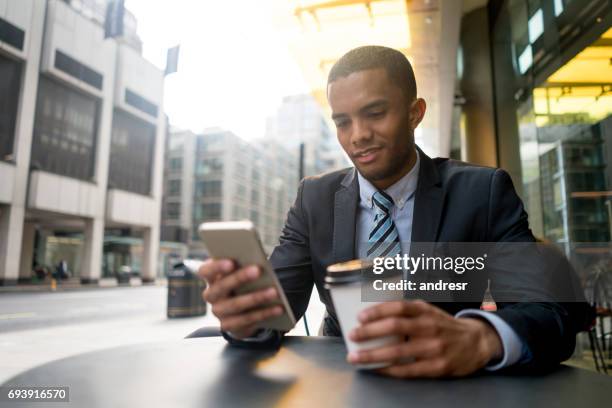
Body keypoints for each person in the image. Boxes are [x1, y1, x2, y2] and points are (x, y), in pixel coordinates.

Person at [198, 45, 591, 378]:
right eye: (343, 121)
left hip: (449, 383)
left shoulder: (482, 193)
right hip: (344, 377)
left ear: (415, 112)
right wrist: (246, 318)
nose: (357, 135)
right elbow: (275, 311)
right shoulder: (314, 198)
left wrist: (479, 337)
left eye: (374, 113)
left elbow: (550, 315)